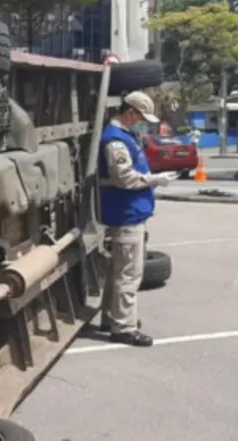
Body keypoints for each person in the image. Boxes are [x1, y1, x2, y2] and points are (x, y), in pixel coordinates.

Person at [97, 91, 178, 347]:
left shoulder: (125, 136)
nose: (141, 122)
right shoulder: (115, 140)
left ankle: (113, 318)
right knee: (129, 273)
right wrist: (156, 179)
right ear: (130, 113)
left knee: (118, 271)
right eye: (141, 117)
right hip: (125, 213)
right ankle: (124, 327)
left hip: (130, 212)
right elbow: (125, 178)